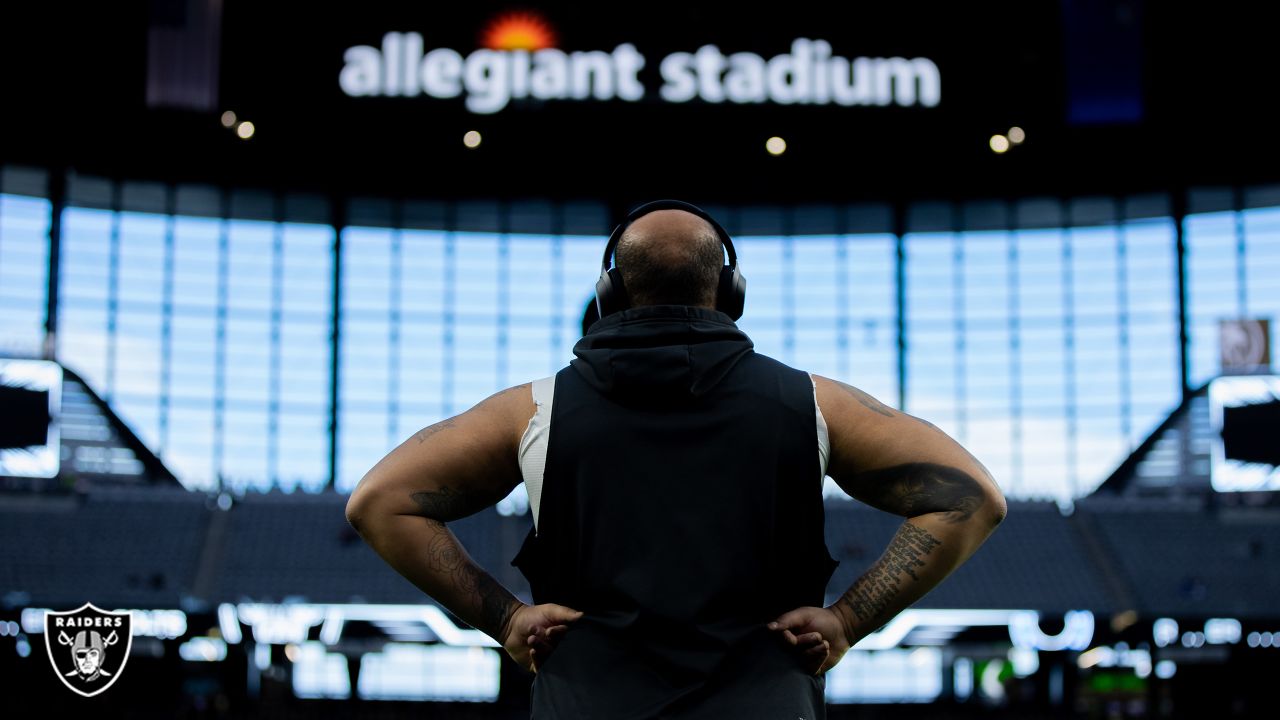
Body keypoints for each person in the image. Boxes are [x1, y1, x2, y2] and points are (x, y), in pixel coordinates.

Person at [345, 199, 1007, 719]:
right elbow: (973, 497)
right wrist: (848, 620)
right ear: (730, 291)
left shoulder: (532, 410)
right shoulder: (812, 404)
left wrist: (505, 617)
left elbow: (379, 501)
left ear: (609, 296)